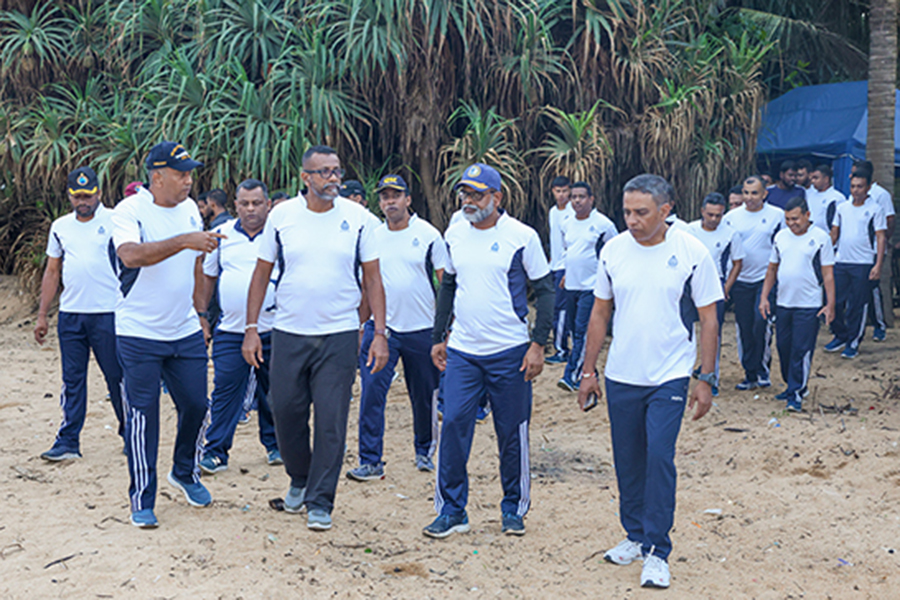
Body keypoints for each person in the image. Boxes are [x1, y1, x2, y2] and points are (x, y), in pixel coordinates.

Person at [576, 174, 721, 589]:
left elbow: (709, 318)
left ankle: (657, 550)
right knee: (628, 459)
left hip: (670, 374)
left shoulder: (691, 252)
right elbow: (600, 313)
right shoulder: (613, 251)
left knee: (659, 456)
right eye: (626, 212)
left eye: (641, 212)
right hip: (622, 373)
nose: (632, 220)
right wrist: (588, 371)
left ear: (666, 210)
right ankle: (634, 536)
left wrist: (705, 378)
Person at [243, 145, 388, 531]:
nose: (333, 178)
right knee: (285, 411)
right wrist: (251, 328)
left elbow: (372, 278)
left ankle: (320, 501)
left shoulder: (359, 219)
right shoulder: (282, 217)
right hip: (289, 332)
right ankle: (300, 479)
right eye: (323, 172)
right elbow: (261, 274)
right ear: (305, 178)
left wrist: (379, 334)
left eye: (336, 170)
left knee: (330, 420)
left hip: (339, 335)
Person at [426, 163, 554, 539]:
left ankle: (513, 507)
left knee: (511, 431)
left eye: (478, 194)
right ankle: (452, 510)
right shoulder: (455, 235)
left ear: (497, 197)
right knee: (452, 425)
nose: (469, 201)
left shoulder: (521, 236)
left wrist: (538, 344)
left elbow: (545, 291)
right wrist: (439, 336)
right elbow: (448, 285)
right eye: (465, 193)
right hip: (464, 351)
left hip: (510, 352)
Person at [111, 141, 222, 528]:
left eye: (191, 173)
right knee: (144, 416)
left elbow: (195, 267)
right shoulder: (129, 211)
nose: (189, 181)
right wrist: (183, 241)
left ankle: (184, 471)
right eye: (181, 174)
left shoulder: (190, 209)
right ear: (157, 177)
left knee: (196, 404)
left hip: (185, 329)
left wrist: (200, 312)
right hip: (138, 332)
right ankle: (142, 498)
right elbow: (130, 255)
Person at [347, 175, 447, 482]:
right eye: (385, 196)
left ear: (408, 199)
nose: (390, 201)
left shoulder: (428, 235)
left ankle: (425, 451)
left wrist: (445, 328)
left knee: (424, 394)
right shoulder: (372, 235)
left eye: (396, 195)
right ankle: (370, 460)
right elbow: (367, 285)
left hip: (422, 329)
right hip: (382, 331)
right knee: (372, 393)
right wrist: (362, 325)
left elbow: (445, 283)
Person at [34, 166, 125, 461]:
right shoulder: (60, 226)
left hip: (107, 313)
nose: (82, 201)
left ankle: (130, 430)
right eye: (77, 196)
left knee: (116, 376)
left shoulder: (115, 221)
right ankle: (68, 441)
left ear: (99, 192)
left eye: (88, 196)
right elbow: (52, 270)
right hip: (71, 314)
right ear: (69, 196)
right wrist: (43, 314)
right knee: (72, 379)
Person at [196, 179, 280, 474]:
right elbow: (208, 277)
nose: (251, 209)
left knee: (276, 392)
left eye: (257, 203)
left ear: (268, 204)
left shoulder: (280, 234)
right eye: (244, 203)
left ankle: (276, 446)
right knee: (225, 390)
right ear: (235, 207)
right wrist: (202, 315)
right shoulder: (221, 235)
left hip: (275, 330)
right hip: (231, 331)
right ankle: (216, 451)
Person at [759, 197, 835, 411]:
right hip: (784, 302)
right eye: (788, 219)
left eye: (795, 219)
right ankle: (791, 384)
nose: (792, 223)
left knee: (801, 349)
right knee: (783, 347)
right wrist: (764, 297)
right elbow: (772, 269)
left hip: (809, 304)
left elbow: (828, 274)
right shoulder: (781, 237)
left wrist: (830, 304)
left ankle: (796, 392)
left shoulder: (821, 238)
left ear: (807, 215)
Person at [724, 176, 785, 390]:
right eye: (746, 193)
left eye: (755, 193)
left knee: (762, 324)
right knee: (745, 327)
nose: (750, 198)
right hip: (741, 280)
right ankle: (749, 374)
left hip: (765, 280)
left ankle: (763, 370)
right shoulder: (731, 217)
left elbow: (782, 246)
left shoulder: (777, 216)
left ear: (764, 194)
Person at [557, 182, 617, 391]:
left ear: (591, 199)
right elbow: (568, 250)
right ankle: (590, 371)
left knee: (582, 330)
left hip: (592, 286)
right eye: (574, 197)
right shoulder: (566, 223)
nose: (577, 201)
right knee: (574, 330)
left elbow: (614, 252)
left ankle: (572, 375)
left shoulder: (603, 224)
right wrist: (565, 273)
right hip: (572, 284)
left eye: (582, 197)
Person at [686, 192, 744, 394]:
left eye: (718, 215)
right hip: (689, 283)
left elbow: (738, 263)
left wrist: (725, 288)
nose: (713, 219)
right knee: (686, 332)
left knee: (713, 332)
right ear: (702, 211)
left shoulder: (730, 233)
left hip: (715, 284)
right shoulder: (689, 230)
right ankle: (683, 374)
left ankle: (712, 378)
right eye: (710, 215)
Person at [826, 171, 887, 359]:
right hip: (841, 261)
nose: (856, 190)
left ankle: (853, 341)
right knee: (834, 301)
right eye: (853, 186)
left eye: (860, 186)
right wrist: (825, 253)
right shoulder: (842, 208)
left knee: (857, 305)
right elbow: (835, 232)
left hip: (863, 263)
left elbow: (880, 236)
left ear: (868, 187)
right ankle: (841, 335)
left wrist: (877, 264)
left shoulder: (875, 209)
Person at [851, 161, 894, 342]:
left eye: (855, 174)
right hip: (854, 253)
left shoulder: (880, 195)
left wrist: (882, 244)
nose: (852, 180)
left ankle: (879, 325)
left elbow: (889, 219)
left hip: (873, 250)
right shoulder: (852, 194)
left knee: (873, 289)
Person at [546, 176, 573, 364]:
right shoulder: (553, 212)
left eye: (564, 191)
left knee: (560, 308)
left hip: (567, 267)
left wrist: (568, 269)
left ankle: (562, 349)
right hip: (554, 265)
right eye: (558, 191)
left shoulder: (573, 212)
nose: (561, 195)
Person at [806, 164, 845, 235]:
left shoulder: (837, 197)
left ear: (826, 179)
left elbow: (838, 224)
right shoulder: (809, 194)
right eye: (812, 178)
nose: (813, 181)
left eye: (816, 178)